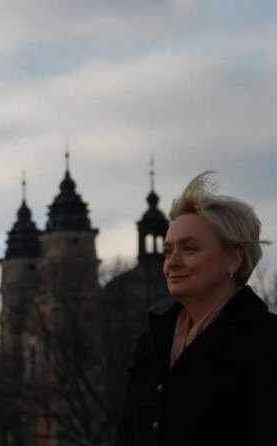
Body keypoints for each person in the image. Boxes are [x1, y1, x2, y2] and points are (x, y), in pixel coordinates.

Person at [115, 172, 275, 445]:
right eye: (168, 251)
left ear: (234, 260)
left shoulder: (266, 341)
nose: (172, 263)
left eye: (189, 249)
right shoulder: (153, 342)